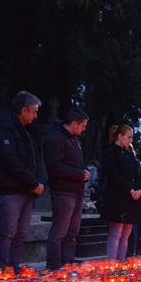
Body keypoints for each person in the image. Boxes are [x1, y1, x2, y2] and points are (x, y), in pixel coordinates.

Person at [0, 91, 44, 271]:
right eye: (34, 111)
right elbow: (10, 161)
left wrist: (36, 181)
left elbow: (33, 160)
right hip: (10, 189)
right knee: (8, 232)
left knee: (21, 233)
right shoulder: (4, 129)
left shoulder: (25, 131)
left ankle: (14, 266)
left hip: (26, 190)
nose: (36, 116)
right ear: (24, 110)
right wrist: (33, 183)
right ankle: (3, 268)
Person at [43, 106, 90, 270]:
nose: (84, 129)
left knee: (72, 231)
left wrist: (83, 173)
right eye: (83, 125)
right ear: (75, 123)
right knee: (60, 231)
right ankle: (55, 265)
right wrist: (79, 174)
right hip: (63, 191)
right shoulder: (55, 138)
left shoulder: (74, 140)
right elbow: (55, 166)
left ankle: (68, 261)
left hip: (76, 191)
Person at [100, 124, 141, 261]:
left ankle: (121, 262)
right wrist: (130, 189)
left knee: (126, 234)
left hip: (131, 198)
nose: (131, 141)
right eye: (129, 137)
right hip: (117, 197)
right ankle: (111, 263)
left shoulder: (130, 154)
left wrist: (138, 189)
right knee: (116, 232)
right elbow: (114, 175)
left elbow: (137, 173)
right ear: (120, 136)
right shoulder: (110, 152)